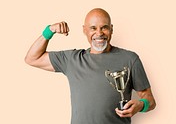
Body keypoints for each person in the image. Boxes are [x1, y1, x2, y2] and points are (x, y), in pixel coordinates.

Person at [25, 8, 156, 124]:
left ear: (111, 29)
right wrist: (50, 30)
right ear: (85, 30)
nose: (99, 33)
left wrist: (140, 105)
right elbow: (32, 58)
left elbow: (150, 100)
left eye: (104, 27)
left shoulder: (130, 59)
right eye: (93, 28)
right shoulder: (72, 59)